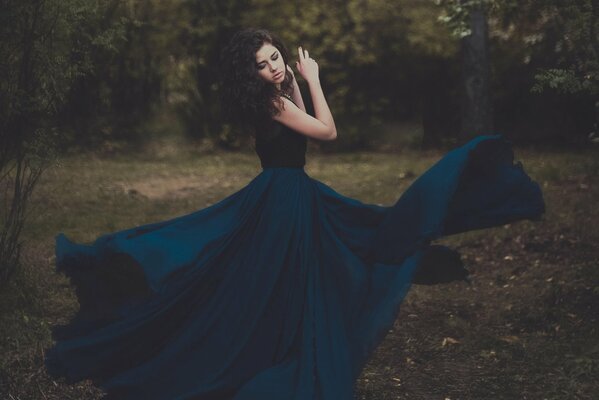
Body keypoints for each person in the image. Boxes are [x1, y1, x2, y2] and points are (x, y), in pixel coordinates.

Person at [45, 28, 545, 399]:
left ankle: (284, 337)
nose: (274, 67)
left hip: (289, 194)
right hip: (282, 200)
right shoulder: (269, 102)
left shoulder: (278, 98)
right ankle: (265, 349)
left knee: (302, 267)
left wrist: (299, 84)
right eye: (263, 64)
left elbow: (309, 136)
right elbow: (327, 133)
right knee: (279, 269)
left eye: (276, 58)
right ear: (252, 74)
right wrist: (315, 78)